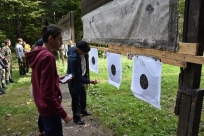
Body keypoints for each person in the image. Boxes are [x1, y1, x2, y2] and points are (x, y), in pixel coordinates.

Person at [25, 23, 72, 136]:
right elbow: (47, 95)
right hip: (50, 110)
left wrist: (55, 78)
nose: (62, 42)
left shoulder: (39, 52)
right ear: (51, 38)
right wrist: (63, 114)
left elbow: (40, 79)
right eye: (60, 39)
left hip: (43, 107)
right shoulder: (48, 57)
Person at [67, 40, 98, 125]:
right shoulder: (73, 59)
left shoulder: (80, 51)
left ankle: (83, 110)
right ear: (78, 49)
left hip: (81, 76)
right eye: (84, 51)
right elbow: (76, 76)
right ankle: (76, 118)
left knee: (83, 93)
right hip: (74, 80)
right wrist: (89, 81)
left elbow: (84, 64)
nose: (85, 52)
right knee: (76, 98)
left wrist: (85, 73)